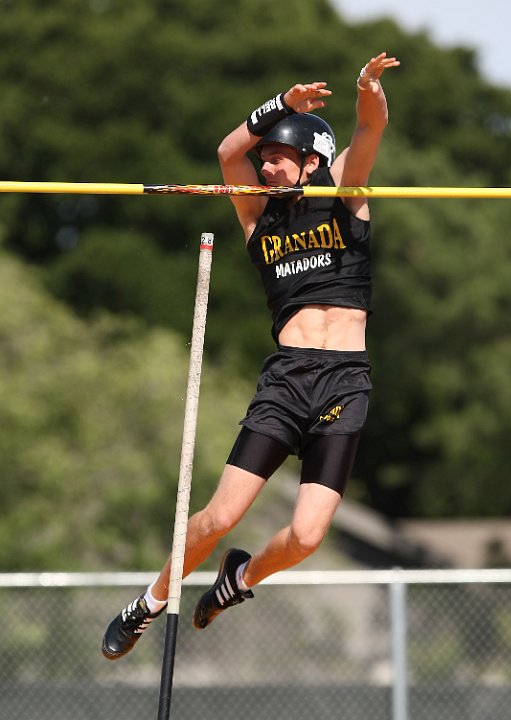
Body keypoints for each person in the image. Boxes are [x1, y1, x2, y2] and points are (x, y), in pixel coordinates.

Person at [102, 51, 399, 660]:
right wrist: (280, 109)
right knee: (217, 518)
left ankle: (239, 580)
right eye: (263, 157)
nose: (264, 165)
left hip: (344, 383)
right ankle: (150, 602)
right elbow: (225, 153)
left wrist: (368, 89)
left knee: (308, 536)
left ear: (311, 160)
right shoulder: (257, 215)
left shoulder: (345, 194)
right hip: (288, 379)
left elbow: (370, 128)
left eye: (277, 156)